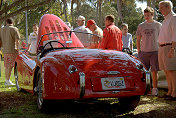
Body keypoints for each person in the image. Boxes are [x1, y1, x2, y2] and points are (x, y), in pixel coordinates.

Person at [136, 6, 162, 96]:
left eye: (148, 15)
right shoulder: (141, 26)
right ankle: (144, 89)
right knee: (143, 71)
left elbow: (161, 38)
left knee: (154, 71)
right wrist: (139, 51)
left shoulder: (158, 25)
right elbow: (138, 39)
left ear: (152, 15)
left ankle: (155, 89)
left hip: (155, 51)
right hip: (144, 52)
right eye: (145, 15)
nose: (146, 17)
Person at [158, 1, 176, 100]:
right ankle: (169, 91)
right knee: (166, 71)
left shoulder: (174, 18)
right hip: (162, 47)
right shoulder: (165, 20)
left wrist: (172, 49)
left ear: (168, 7)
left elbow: (175, 35)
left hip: (169, 47)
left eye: (161, 8)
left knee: (171, 70)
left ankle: (174, 92)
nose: (160, 10)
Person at [0, 18, 20, 86]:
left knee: (6, 66)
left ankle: (6, 80)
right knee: (10, 66)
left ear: (6, 22)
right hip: (12, 50)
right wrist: (18, 49)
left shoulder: (2, 29)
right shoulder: (14, 29)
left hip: (5, 50)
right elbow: (17, 40)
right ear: (12, 22)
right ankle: (7, 81)